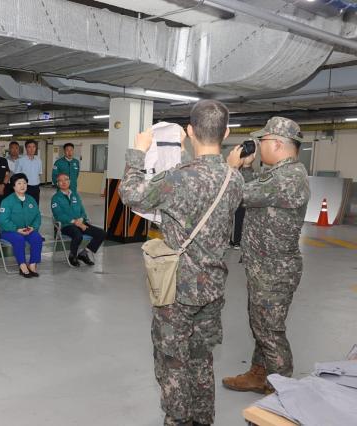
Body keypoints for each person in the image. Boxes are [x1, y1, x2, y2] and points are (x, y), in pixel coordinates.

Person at [119, 100, 244, 426]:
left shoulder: (178, 179)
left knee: (173, 361)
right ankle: (204, 419)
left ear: (189, 133)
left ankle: (177, 420)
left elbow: (131, 193)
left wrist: (138, 151)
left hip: (177, 289)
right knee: (202, 359)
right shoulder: (235, 180)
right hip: (213, 288)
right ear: (227, 132)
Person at [222, 117, 310, 394]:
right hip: (265, 265)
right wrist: (246, 170)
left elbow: (238, 195)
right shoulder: (278, 173)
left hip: (274, 269)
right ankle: (260, 375)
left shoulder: (288, 177)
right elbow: (255, 195)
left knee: (270, 331)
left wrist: (229, 169)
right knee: (260, 326)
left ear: (277, 143)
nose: (259, 147)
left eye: (262, 141)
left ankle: (283, 391)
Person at [51, 173, 105, 266]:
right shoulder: (56, 198)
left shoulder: (75, 195)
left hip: (80, 223)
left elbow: (83, 212)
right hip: (66, 226)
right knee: (78, 235)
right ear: (57, 183)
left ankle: (84, 253)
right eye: (61, 180)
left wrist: (81, 219)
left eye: (66, 179)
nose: (64, 182)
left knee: (101, 233)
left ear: (70, 181)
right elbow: (59, 215)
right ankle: (73, 256)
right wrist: (76, 223)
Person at [0, 173, 42, 278]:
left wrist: (33, 227)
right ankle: (22, 266)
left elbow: (37, 216)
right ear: (13, 186)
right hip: (9, 231)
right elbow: (3, 220)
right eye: (19, 183)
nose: (22, 186)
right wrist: (16, 229)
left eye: (24, 183)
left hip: (27, 230)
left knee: (37, 237)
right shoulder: (7, 201)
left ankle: (32, 265)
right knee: (19, 239)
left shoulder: (31, 199)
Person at [14, 139, 42, 204]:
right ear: (26, 148)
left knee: (35, 205)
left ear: (36, 148)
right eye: (29, 147)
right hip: (25, 187)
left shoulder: (39, 160)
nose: (32, 149)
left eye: (33, 147)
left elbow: (39, 174)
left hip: (36, 187)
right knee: (24, 205)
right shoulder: (20, 160)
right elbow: (17, 176)